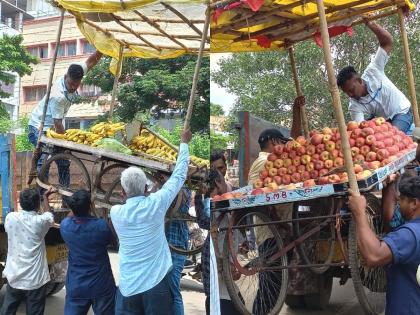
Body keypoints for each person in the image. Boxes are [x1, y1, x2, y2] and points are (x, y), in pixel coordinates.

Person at [110, 128, 191, 315]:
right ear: (147, 188)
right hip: (157, 284)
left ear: (122, 192)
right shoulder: (156, 203)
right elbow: (179, 176)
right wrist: (184, 143)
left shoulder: (115, 212)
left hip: (128, 287)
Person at [27, 50, 103, 190]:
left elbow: (91, 61)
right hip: (38, 128)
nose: (73, 87)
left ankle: (65, 197)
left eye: (76, 84)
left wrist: (103, 48)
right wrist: (67, 143)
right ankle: (41, 196)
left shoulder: (77, 70)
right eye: (70, 84)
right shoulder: (58, 95)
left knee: (63, 161)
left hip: (53, 128)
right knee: (45, 161)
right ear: (65, 76)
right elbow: (57, 124)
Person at [348, 176, 420, 315]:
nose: (399, 203)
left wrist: (359, 213)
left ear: (414, 204)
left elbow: (374, 256)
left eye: (402, 199)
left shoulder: (411, 235)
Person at [337, 20, 413, 134]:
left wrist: (371, 24)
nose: (350, 95)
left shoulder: (373, 70)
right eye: (347, 93)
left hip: (402, 111)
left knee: (392, 137)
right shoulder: (354, 105)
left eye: (351, 90)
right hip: (385, 121)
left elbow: (387, 42)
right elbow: (359, 129)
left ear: (359, 80)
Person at [59, 190, 116, 315]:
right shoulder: (101, 226)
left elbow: (71, 215)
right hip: (101, 285)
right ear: (90, 206)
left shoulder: (65, 226)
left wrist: (77, 203)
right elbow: (113, 242)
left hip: (76, 285)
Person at [1, 188, 56, 315]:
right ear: (38, 204)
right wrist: (45, 198)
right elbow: (50, 217)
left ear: (21, 204)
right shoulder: (41, 221)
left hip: (14, 275)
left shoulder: (11, 218)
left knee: (7, 310)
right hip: (35, 279)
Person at [199, 169, 241, 315]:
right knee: (220, 300)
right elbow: (204, 222)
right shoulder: (213, 202)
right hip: (215, 261)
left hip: (218, 261)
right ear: (217, 182)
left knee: (222, 297)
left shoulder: (223, 199)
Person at [165, 187, 191, 315]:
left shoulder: (184, 191)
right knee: (164, 292)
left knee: (173, 291)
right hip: (165, 249)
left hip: (177, 248)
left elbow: (179, 197)